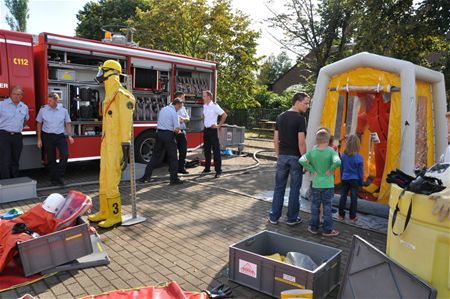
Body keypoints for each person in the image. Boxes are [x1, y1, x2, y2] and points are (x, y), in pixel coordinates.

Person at [88, 60, 135, 228]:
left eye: (103, 71)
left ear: (110, 73)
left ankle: (115, 215)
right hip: (106, 144)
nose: (100, 74)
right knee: (103, 178)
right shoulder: (109, 96)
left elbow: (125, 124)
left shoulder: (122, 96)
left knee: (112, 180)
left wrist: (125, 146)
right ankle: (104, 211)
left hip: (116, 145)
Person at [268, 92, 310, 225]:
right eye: (306, 103)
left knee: (279, 187)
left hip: (282, 157)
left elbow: (275, 139)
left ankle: (274, 217)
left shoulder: (280, 117)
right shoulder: (300, 119)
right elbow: (301, 142)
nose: (307, 106)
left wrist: (277, 154)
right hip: (296, 159)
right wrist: (305, 160)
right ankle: (292, 219)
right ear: (297, 102)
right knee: (294, 189)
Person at [299, 128, 341, 236]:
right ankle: (327, 230)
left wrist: (312, 170)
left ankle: (313, 227)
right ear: (327, 141)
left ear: (317, 141)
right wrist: (331, 169)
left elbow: (301, 160)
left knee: (314, 206)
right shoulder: (331, 151)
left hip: (316, 184)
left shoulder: (313, 151)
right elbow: (338, 161)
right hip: (328, 184)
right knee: (327, 207)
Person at [139, 98, 184, 185]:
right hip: (168, 135)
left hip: (159, 134)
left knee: (155, 156)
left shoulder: (163, 109)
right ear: (177, 104)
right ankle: (174, 179)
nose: (179, 109)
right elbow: (176, 129)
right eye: (180, 107)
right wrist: (180, 131)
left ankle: (146, 177)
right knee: (173, 157)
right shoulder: (174, 113)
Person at [36, 93, 74, 186]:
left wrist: (69, 135)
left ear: (56, 101)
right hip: (47, 136)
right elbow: (39, 123)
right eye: (48, 100)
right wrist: (39, 139)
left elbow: (68, 123)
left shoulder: (63, 111)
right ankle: (54, 179)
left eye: (50, 100)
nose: (48, 102)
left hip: (60, 136)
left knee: (64, 155)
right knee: (51, 159)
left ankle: (59, 176)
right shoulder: (43, 110)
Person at [0, 86, 29, 179]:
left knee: (15, 160)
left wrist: (18, 127)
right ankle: (5, 182)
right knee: (5, 160)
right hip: (4, 135)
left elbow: (25, 120)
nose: (17, 96)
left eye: (19, 94)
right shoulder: (2, 105)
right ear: (11, 94)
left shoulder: (24, 107)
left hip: (17, 136)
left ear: (22, 96)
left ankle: (14, 180)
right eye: (15, 94)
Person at [338, 135, 364, 222]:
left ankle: (341, 214)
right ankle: (352, 216)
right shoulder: (359, 158)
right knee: (353, 198)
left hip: (345, 178)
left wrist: (341, 177)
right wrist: (362, 182)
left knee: (343, 196)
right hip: (354, 180)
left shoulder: (343, 156)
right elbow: (361, 172)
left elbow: (341, 168)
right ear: (357, 145)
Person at [202, 90, 227, 178]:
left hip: (212, 130)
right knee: (207, 150)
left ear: (209, 97)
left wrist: (219, 126)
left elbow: (224, 115)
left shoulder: (215, 106)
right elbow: (205, 117)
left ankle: (218, 170)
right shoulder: (204, 106)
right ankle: (207, 168)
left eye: (204, 96)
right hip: (206, 130)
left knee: (216, 151)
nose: (203, 97)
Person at [174, 91, 190, 174]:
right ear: (179, 97)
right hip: (175, 132)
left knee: (183, 151)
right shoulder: (172, 107)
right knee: (173, 152)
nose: (184, 99)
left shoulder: (183, 108)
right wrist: (179, 118)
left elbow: (188, 118)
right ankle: (173, 169)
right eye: (183, 97)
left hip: (182, 131)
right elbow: (174, 117)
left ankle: (181, 168)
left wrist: (184, 119)